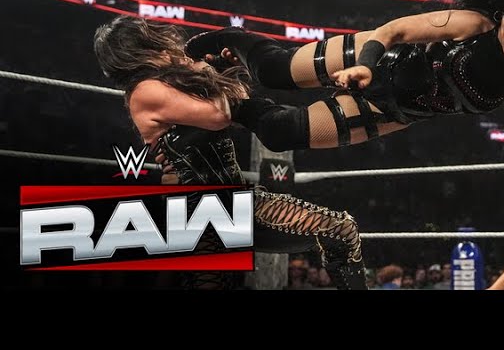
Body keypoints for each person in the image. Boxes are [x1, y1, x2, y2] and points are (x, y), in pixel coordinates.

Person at [184, 0, 504, 285]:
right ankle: (229, 40)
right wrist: (364, 65)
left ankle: (224, 96)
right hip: (378, 60)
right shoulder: (474, 24)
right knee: (275, 70)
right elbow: (394, 31)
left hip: (395, 112)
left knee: (280, 131)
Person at [93, 15, 367, 290]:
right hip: (198, 212)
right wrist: (206, 70)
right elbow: (219, 115)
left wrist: (222, 69)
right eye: (156, 41)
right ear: (140, 50)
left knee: (340, 230)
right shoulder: (144, 90)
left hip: (238, 200)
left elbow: (237, 101)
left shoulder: (174, 82)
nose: (167, 45)